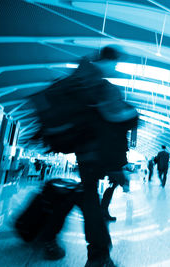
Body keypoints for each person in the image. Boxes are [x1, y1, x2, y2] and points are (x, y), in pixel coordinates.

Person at [38, 46, 137, 267]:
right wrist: (133, 113)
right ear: (109, 59)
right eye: (116, 62)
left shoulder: (80, 77)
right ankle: (98, 256)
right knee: (89, 199)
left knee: (85, 195)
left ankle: (52, 237)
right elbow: (114, 119)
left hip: (84, 152)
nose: (116, 67)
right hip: (96, 153)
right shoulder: (100, 85)